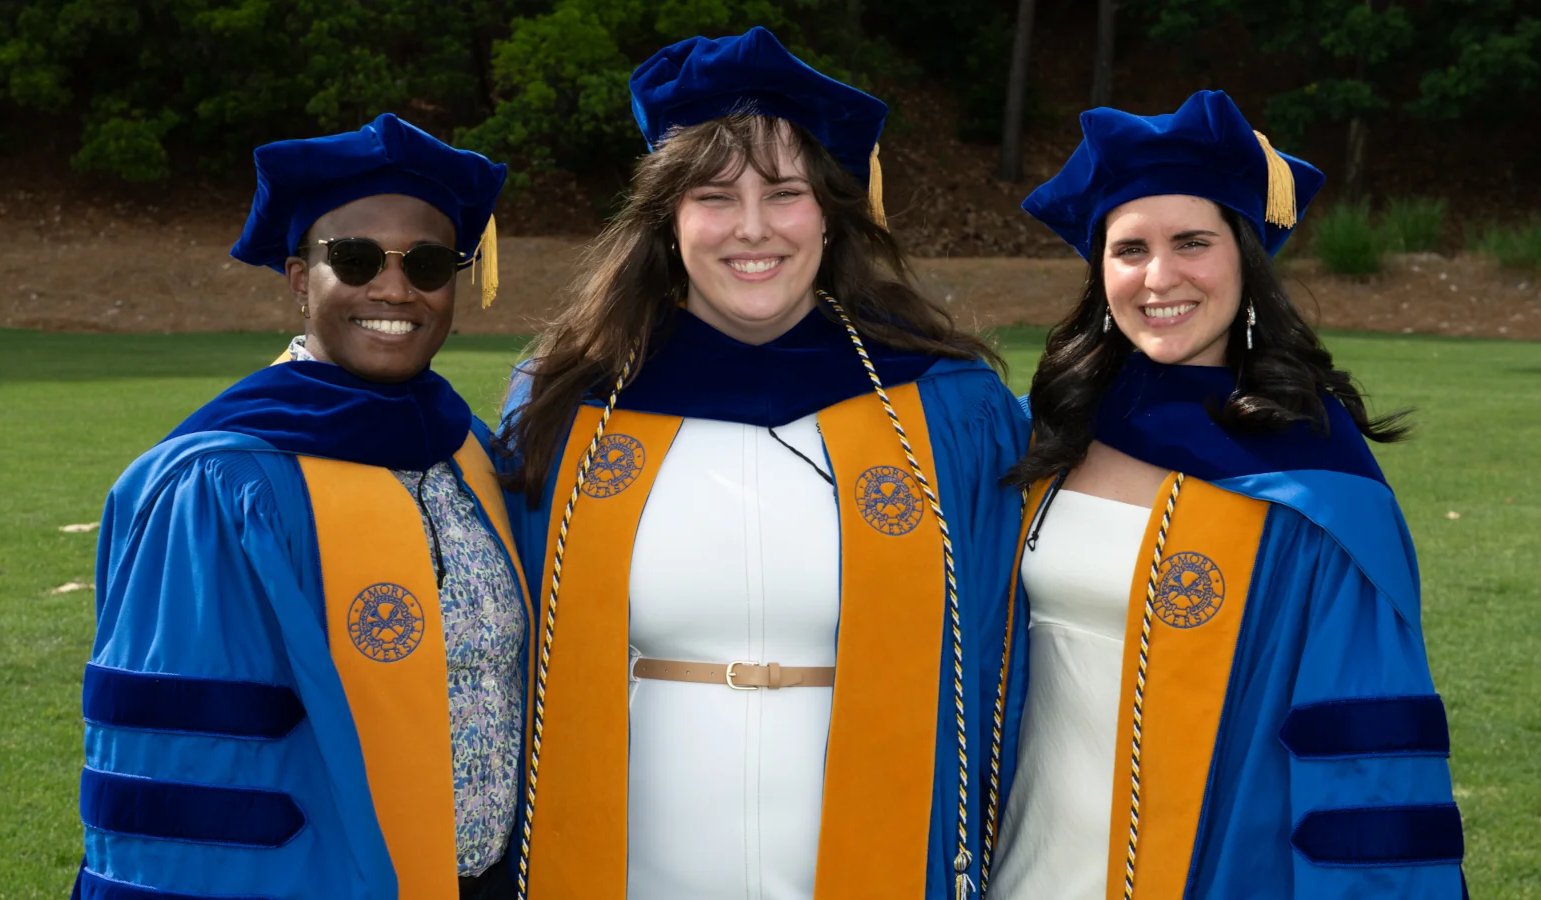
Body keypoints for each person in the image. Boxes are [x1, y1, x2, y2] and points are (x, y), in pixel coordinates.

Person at [497, 27, 1031, 900]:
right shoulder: (575, 406)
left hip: (873, 848)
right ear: (669, 222)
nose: (753, 228)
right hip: (638, 855)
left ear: (831, 211)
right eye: (714, 195)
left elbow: (1014, 645)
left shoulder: (941, 409)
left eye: (784, 192)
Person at [989, 90, 1465, 899]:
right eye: (1129, 248)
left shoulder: (1315, 483)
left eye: (1193, 243)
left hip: (1211, 868)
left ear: (1246, 259)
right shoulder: (1046, 436)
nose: (1159, 276)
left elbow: (1363, 756)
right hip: (1022, 863)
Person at [72, 114, 530, 900]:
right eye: (353, 260)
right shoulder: (218, 486)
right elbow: (189, 770)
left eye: (426, 264)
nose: (393, 289)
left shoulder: (473, 455)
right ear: (297, 278)